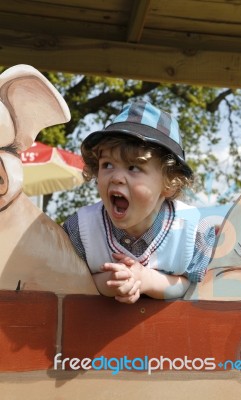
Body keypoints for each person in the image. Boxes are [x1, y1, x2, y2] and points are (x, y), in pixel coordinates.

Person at [63, 100, 215, 303]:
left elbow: (196, 287)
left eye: (133, 168)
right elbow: (64, 282)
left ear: (169, 182)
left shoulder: (195, 232)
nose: (116, 177)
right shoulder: (80, 231)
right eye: (107, 164)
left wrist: (147, 280)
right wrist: (109, 282)